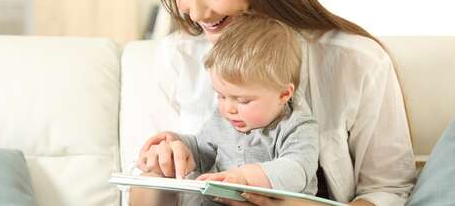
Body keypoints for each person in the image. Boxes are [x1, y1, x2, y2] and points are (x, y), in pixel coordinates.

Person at [129, 0, 417, 205]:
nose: (196, 12)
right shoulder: (176, 58)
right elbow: (147, 184)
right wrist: (160, 162)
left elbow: (388, 188)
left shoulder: (357, 61)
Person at [137, 14, 319, 205]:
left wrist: (245, 178)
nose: (228, 108)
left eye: (243, 100)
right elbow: (202, 149)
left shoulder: (297, 126)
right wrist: (179, 146)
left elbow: (297, 169)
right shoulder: (222, 119)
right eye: (221, 96)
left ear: (283, 94)